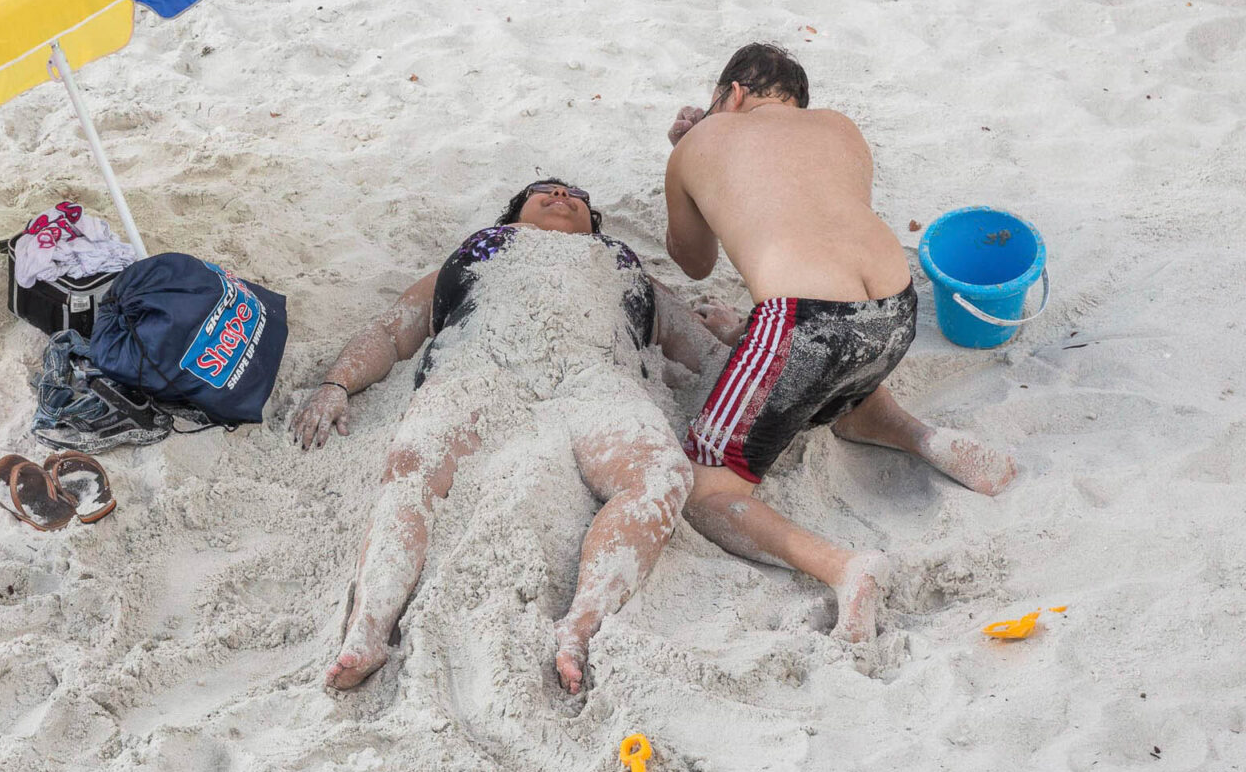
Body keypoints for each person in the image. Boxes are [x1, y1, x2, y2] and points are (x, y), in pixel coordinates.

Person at [291, 180, 721, 695]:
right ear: (512, 214)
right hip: (479, 366)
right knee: (412, 471)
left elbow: (704, 351)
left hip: (595, 376)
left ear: (593, 219)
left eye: (574, 195)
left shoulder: (622, 264)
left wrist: (736, 332)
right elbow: (392, 331)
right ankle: (369, 628)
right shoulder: (481, 250)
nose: (561, 196)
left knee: (662, 475)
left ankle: (580, 624)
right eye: (545, 191)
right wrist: (337, 384)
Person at [665, 43, 1016, 643]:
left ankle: (844, 568)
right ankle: (925, 438)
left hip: (806, 325)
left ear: (736, 94)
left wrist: (684, 156)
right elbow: (817, 231)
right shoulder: (841, 130)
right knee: (836, 367)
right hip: (894, 310)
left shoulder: (701, 138)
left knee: (703, 489)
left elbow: (694, 262)